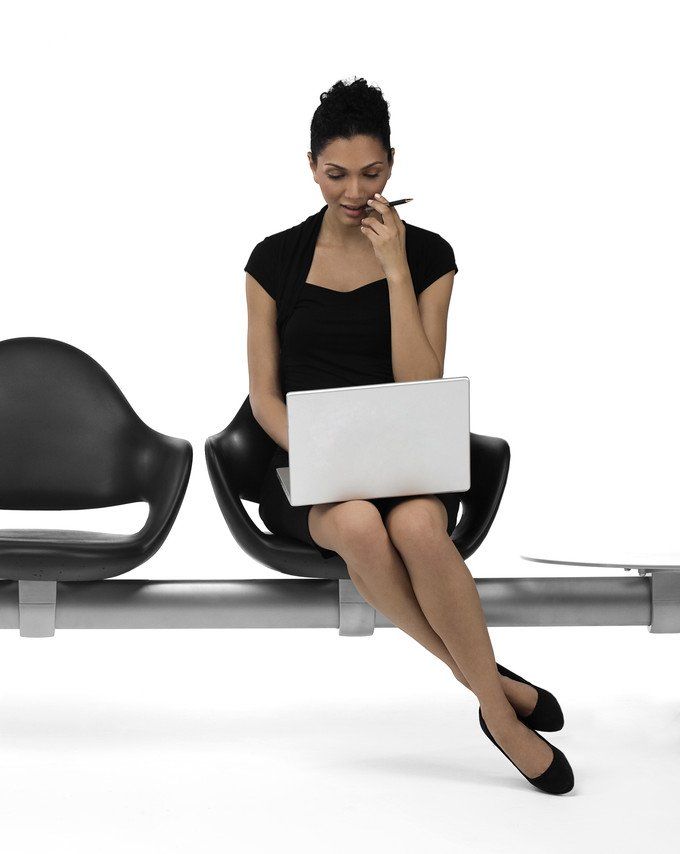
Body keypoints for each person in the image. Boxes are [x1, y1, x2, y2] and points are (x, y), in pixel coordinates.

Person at [243, 78, 573, 794]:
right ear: (309, 165)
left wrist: (394, 268)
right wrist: (317, 450)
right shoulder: (272, 260)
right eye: (336, 175)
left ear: (392, 163)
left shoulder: (429, 254)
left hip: (403, 458)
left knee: (424, 533)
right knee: (360, 526)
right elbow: (263, 395)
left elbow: (421, 384)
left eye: (371, 173)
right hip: (312, 464)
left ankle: (489, 694)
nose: (354, 191)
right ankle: (498, 704)